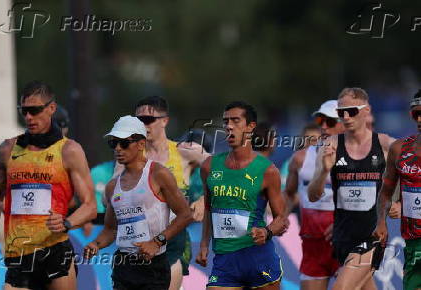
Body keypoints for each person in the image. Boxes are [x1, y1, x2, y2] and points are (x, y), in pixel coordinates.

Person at [0, 81, 97, 289]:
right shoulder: (7, 149)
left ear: (51, 108)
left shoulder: (69, 151)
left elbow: (90, 206)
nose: (28, 117)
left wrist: (67, 223)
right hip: (19, 253)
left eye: (34, 111)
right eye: (24, 111)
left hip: (54, 250)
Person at [84, 115, 192, 290]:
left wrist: (156, 242)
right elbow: (111, 229)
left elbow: (185, 214)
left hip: (154, 266)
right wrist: (95, 244)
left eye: (124, 143)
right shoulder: (112, 186)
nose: (118, 148)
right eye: (114, 143)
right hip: (124, 266)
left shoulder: (158, 174)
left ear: (141, 144)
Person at [114, 96, 210, 289]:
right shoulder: (127, 156)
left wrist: (203, 200)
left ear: (165, 120)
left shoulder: (185, 151)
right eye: (138, 121)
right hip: (136, 247)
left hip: (173, 243)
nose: (142, 125)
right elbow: (112, 198)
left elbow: (224, 173)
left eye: (148, 120)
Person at [196, 101, 289, 289]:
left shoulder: (267, 170)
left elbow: (282, 219)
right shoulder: (209, 166)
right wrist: (204, 244)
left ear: (250, 127)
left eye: (236, 121)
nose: (229, 126)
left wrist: (266, 232)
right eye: (226, 121)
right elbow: (208, 208)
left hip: (259, 259)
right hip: (225, 261)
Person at [308, 88, 394, 289]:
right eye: (341, 112)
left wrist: (396, 203)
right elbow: (313, 195)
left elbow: (404, 177)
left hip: (371, 236)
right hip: (342, 237)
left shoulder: (385, 144)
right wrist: (323, 172)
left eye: (352, 111)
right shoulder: (331, 145)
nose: (346, 117)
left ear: (366, 111)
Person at [284, 100, 344, 290]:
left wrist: (344, 223)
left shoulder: (360, 158)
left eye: (331, 121)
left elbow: (373, 200)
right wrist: (280, 219)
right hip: (313, 246)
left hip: (346, 242)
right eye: (320, 119)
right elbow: (289, 194)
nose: (324, 126)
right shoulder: (300, 159)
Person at [373, 90, 421, 290]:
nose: (419, 118)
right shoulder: (399, 149)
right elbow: (385, 192)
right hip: (413, 243)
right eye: (415, 113)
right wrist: (381, 222)